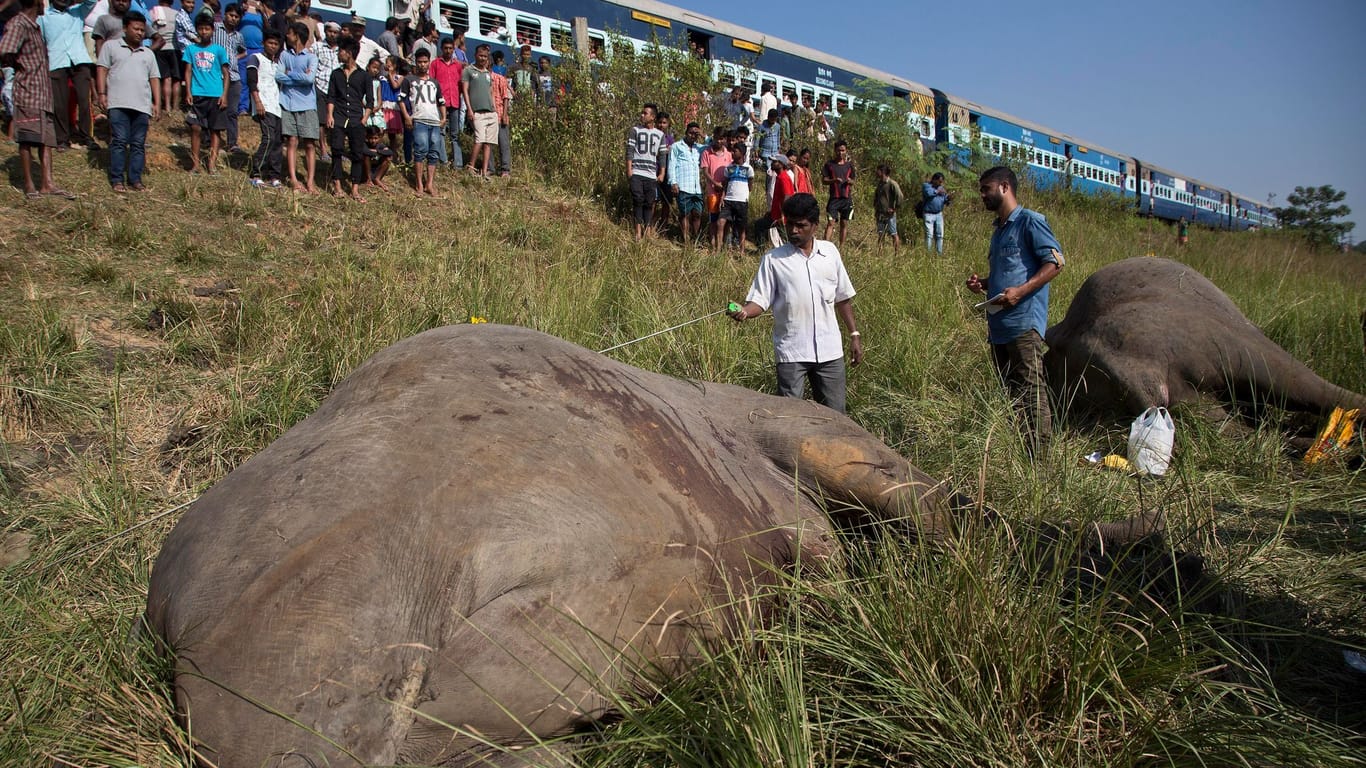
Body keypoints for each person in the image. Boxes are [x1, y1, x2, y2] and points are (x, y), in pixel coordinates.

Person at [730, 192, 863, 414]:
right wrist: (744, 311)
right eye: (789, 224)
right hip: (792, 354)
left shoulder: (830, 253)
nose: (793, 230)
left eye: (800, 225)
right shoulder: (773, 260)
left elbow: (843, 298)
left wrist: (854, 334)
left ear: (815, 226)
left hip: (830, 353)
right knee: (790, 419)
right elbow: (759, 301)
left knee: (835, 417)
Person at [965, 165, 1065, 457]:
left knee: (1033, 394)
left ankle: (1040, 463)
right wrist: (983, 284)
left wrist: (1020, 292)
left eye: (986, 189)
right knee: (1013, 396)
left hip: (1023, 325)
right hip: (999, 328)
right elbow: (1008, 274)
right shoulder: (998, 231)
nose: (982, 195)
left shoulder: (1030, 222)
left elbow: (1056, 263)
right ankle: (1021, 453)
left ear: (1005, 187)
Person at [2, 0, 77, 199]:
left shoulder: (34, 27)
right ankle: (29, 185)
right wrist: (20, 68)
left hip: (43, 95)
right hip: (28, 91)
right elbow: (5, 50)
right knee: (27, 138)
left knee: (46, 140)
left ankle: (47, 184)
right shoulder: (19, 24)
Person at [96, 8, 159, 191]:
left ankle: (135, 180)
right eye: (136, 29)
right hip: (118, 103)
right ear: (125, 28)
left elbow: (154, 78)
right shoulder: (111, 46)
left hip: (142, 105)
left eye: (142, 30)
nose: (140, 33)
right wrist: (101, 94)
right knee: (119, 140)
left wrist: (157, 103)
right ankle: (117, 180)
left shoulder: (148, 53)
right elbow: (102, 69)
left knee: (138, 144)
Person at [42, 0, 100, 150]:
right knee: (59, 103)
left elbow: (92, 1)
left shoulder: (77, 11)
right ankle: (62, 139)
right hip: (56, 61)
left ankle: (87, 137)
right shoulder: (43, 16)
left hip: (79, 59)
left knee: (84, 100)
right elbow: (41, 41)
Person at [181, 12, 229, 173]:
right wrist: (188, 91)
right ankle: (195, 163)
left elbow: (226, 74)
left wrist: (224, 95)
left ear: (212, 30)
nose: (204, 32)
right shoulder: (191, 49)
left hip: (215, 94)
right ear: (197, 30)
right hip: (197, 93)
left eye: (207, 29)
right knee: (195, 128)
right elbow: (187, 71)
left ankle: (212, 164)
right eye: (201, 29)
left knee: (215, 129)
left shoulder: (219, 50)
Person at [325, 36, 371, 201]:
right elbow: (331, 96)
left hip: (356, 118)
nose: (339, 54)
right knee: (336, 150)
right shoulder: (336, 74)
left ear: (349, 53)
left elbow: (370, 100)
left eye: (341, 51)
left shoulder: (363, 75)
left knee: (357, 153)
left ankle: (355, 189)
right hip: (339, 116)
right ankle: (337, 186)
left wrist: (365, 118)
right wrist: (329, 115)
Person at [276, 20, 317, 192]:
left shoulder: (311, 57)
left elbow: (310, 79)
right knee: (291, 141)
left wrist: (290, 74)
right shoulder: (285, 55)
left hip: (307, 104)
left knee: (309, 144)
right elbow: (278, 76)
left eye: (290, 32)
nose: (287, 35)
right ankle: (293, 179)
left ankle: (310, 181)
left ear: (297, 36)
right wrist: (299, 76)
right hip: (288, 103)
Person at [401, 47, 443, 196]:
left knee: (434, 152)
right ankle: (419, 183)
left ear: (429, 63)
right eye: (420, 62)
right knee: (420, 150)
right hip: (419, 119)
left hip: (434, 120)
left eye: (425, 62)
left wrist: (443, 117)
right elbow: (401, 99)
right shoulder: (409, 80)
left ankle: (429, 183)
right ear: (416, 62)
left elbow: (441, 101)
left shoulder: (434, 82)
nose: (422, 65)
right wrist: (407, 116)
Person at [246, 28, 282, 187]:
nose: (273, 46)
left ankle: (274, 176)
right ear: (264, 43)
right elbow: (252, 81)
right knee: (268, 138)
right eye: (270, 43)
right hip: (263, 104)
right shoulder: (255, 58)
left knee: (277, 142)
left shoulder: (277, 64)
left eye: (276, 44)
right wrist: (257, 101)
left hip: (277, 106)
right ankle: (256, 173)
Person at [625, 101, 663, 241]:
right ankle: (637, 231)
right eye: (642, 113)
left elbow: (662, 155)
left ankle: (647, 230)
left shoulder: (659, 135)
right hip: (637, 172)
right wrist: (629, 169)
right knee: (637, 200)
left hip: (651, 174)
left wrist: (662, 173)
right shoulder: (635, 130)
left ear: (653, 117)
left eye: (645, 113)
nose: (642, 115)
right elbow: (629, 151)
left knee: (649, 202)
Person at [210, 3, 244, 152]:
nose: (233, 19)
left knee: (232, 111)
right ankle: (209, 140)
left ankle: (232, 143)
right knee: (214, 108)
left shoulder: (239, 36)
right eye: (231, 15)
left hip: (234, 76)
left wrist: (235, 58)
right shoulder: (215, 28)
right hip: (216, 75)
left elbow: (244, 51)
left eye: (237, 17)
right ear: (225, 15)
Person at [460, 42, 495, 179]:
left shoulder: (487, 73)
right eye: (480, 56)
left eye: (485, 56)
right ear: (475, 55)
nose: (482, 58)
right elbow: (465, 90)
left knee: (488, 142)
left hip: (490, 112)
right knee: (479, 139)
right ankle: (471, 166)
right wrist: (469, 109)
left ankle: (484, 171)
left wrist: (494, 109)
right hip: (477, 111)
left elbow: (490, 91)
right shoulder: (469, 70)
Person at [668, 120, 703, 246]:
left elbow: (713, 145)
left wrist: (704, 135)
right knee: (685, 214)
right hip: (682, 186)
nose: (693, 135)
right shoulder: (677, 146)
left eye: (695, 133)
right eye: (691, 132)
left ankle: (696, 240)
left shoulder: (699, 148)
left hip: (696, 188)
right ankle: (686, 240)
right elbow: (671, 164)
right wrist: (673, 182)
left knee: (697, 214)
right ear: (686, 132)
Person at [429, 35, 461, 169]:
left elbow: (460, 83)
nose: (448, 51)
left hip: (454, 102)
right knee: (440, 131)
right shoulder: (435, 64)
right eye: (446, 48)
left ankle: (458, 163)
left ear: (454, 49)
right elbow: (431, 82)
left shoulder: (458, 65)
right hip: (440, 102)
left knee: (455, 133)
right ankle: (443, 160)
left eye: (451, 48)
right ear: (442, 49)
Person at [821, 139, 855, 248]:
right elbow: (824, 180)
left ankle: (841, 248)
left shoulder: (849, 165)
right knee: (831, 223)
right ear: (835, 151)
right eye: (838, 151)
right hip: (834, 199)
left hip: (846, 199)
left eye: (843, 150)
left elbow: (853, 180)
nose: (840, 153)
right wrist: (834, 180)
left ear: (846, 151)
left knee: (844, 224)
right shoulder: (829, 165)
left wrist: (850, 182)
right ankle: (825, 247)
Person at [719, 143, 752, 252]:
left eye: (735, 151)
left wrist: (745, 195)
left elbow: (750, 185)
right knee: (722, 222)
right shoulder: (729, 168)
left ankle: (741, 251)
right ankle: (719, 249)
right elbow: (726, 184)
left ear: (742, 153)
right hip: (728, 200)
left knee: (741, 227)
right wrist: (722, 198)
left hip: (742, 201)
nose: (732, 153)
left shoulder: (748, 169)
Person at [873, 164, 903, 254]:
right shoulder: (880, 183)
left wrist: (894, 209)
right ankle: (880, 253)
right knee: (881, 233)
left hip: (890, 215)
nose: (876, 172)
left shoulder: (892, 184)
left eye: (877, 170)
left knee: (893, 233)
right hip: (880, 213)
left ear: (882, 172)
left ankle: (896, 254)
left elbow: (900, 196)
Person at [921, 171, 951, 253]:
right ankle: (928, 253)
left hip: (939, 214)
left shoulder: (941, 188)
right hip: (928, 214)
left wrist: (948, 199)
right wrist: (937, 192)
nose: (941, 183)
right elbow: (928, 193)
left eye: (942, 182)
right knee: (929, 235)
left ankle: (939, 253)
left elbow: (944, 199)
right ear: (934, 180)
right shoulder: (926, 186)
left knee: (939, 235)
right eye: (939, 181)